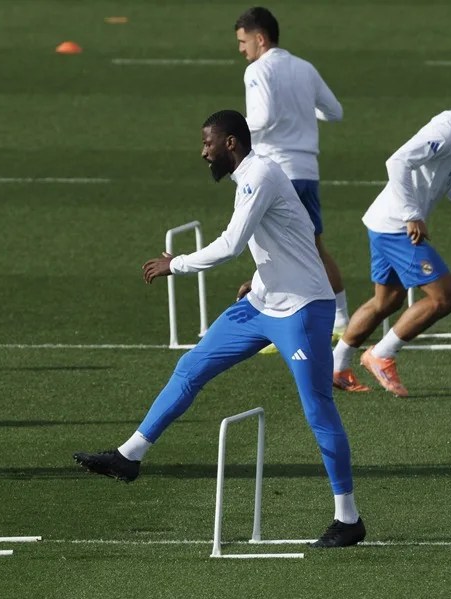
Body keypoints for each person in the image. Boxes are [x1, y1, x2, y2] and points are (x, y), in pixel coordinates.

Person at [75, 110, 366, 548]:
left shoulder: (259, 175)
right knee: (192, 366)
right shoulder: (252, 176)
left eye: (208, 143)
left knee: (317, 409)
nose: (203, 151)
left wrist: (176, 264)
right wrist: (263, 275)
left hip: (303, 310)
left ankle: (348, 519)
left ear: (231, 143)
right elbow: (293, 233)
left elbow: (230, 244)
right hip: (261, 303)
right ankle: (129, 456)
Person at [332, 66, 451, 396]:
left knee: (386, 301)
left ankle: (337, 366)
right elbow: (397, 162)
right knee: (446, 296)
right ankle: (381, 355)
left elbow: (446, 175)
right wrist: (412, 215)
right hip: (398, 226)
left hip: (383, 222)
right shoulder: (448, 130)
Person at [234, 6, 351, 339]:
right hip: (307, 170)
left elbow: (264, 116)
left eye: (243, 42)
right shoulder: (304, 67)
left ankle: (274, 325)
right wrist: (300, 111)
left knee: (269, 249)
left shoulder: (257, 71)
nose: (241, 49)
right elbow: (334, 111)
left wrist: (233, 130)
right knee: (313, 247)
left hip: (275, 172)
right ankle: (342, 320)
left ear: (260, 38)